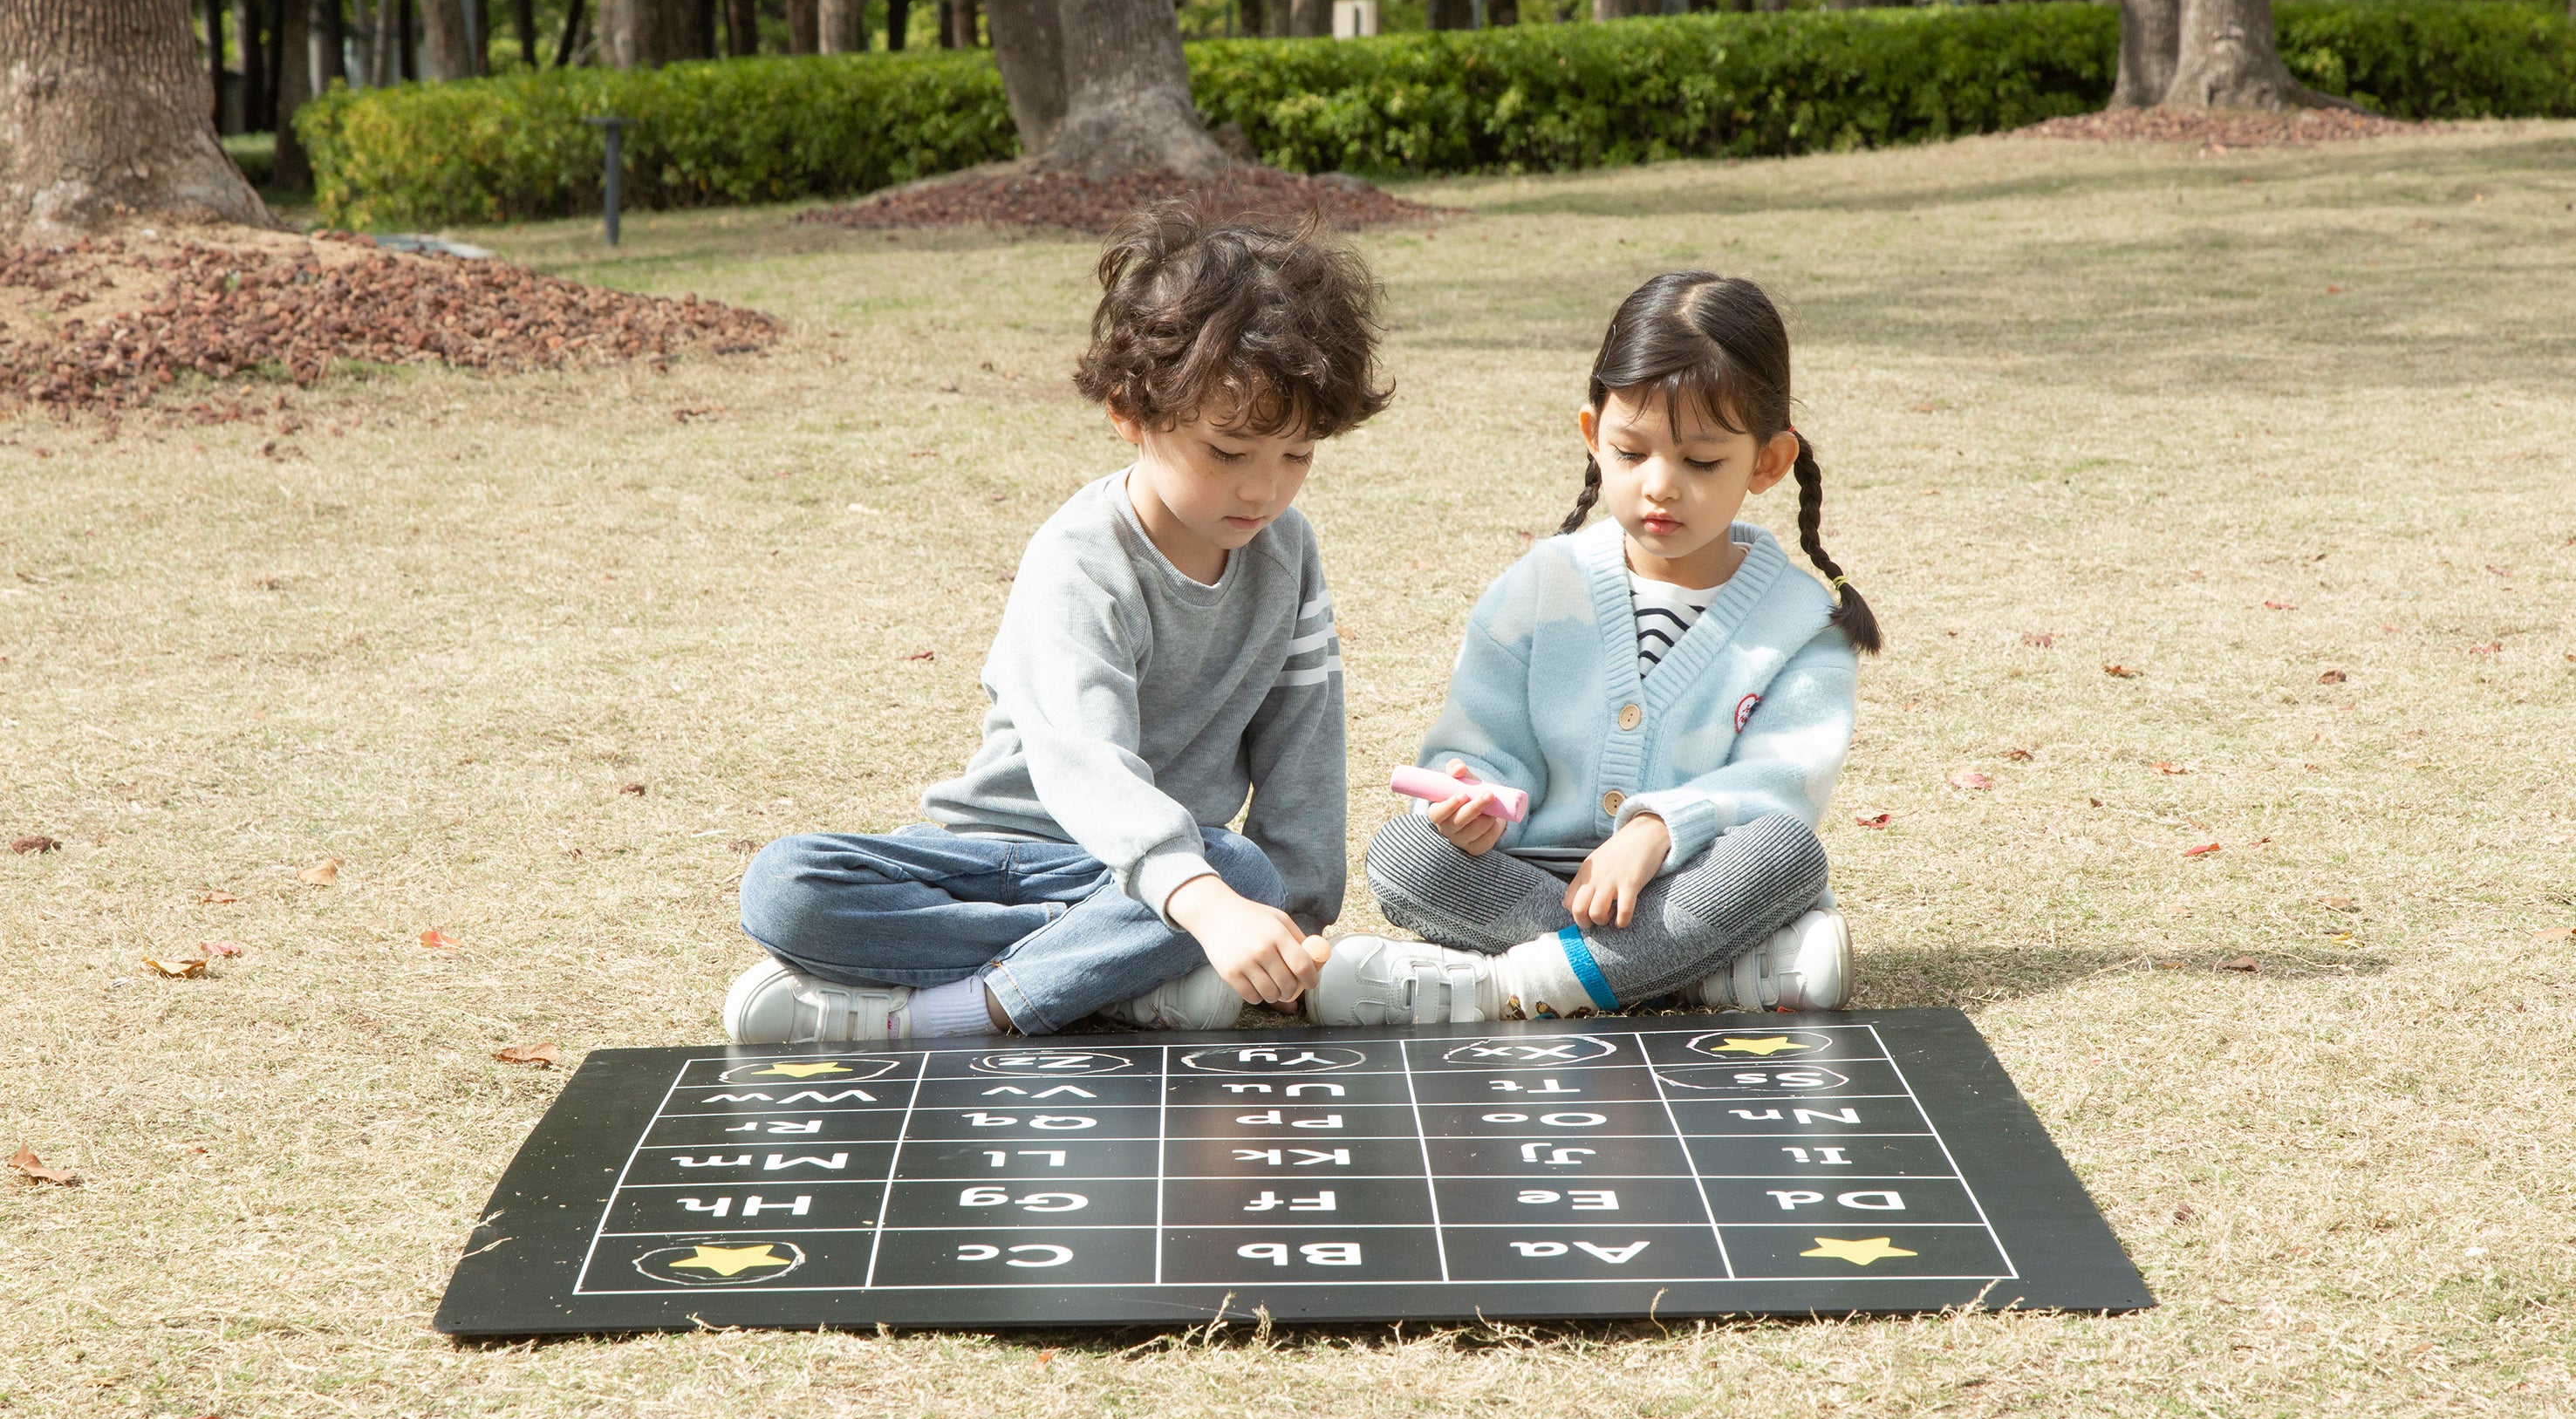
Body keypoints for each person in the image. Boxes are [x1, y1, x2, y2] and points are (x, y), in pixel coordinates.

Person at [727, 208, 1390, 1044]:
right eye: (1228, 452)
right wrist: (1205, 910)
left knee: (1245, 869)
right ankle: (1065, 982)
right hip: (1002, 862)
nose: (1262, 490)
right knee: (786, 887)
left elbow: (1305, 747)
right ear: (1129, 411)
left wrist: (1284, 929)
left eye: (1296, 456)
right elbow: (1085, 763)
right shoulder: (1080, 558)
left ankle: (1019, 985)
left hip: (1171, 878)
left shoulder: (1286, 551)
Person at [1312, 272, 1878, 1025]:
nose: (1660, 486)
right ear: (1591, 434)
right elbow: (1481, 746)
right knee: (1403, 856)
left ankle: (1502, 985)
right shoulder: (1539, 586)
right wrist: (1470, 800)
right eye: (1630, 451)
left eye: (1701, 462)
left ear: (1768, 463)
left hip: (1690, 877)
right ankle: (1683, 972)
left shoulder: (1802, 621)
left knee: (1783, 853)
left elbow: (1781, 786)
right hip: (1529, 878)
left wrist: (1654, 829)